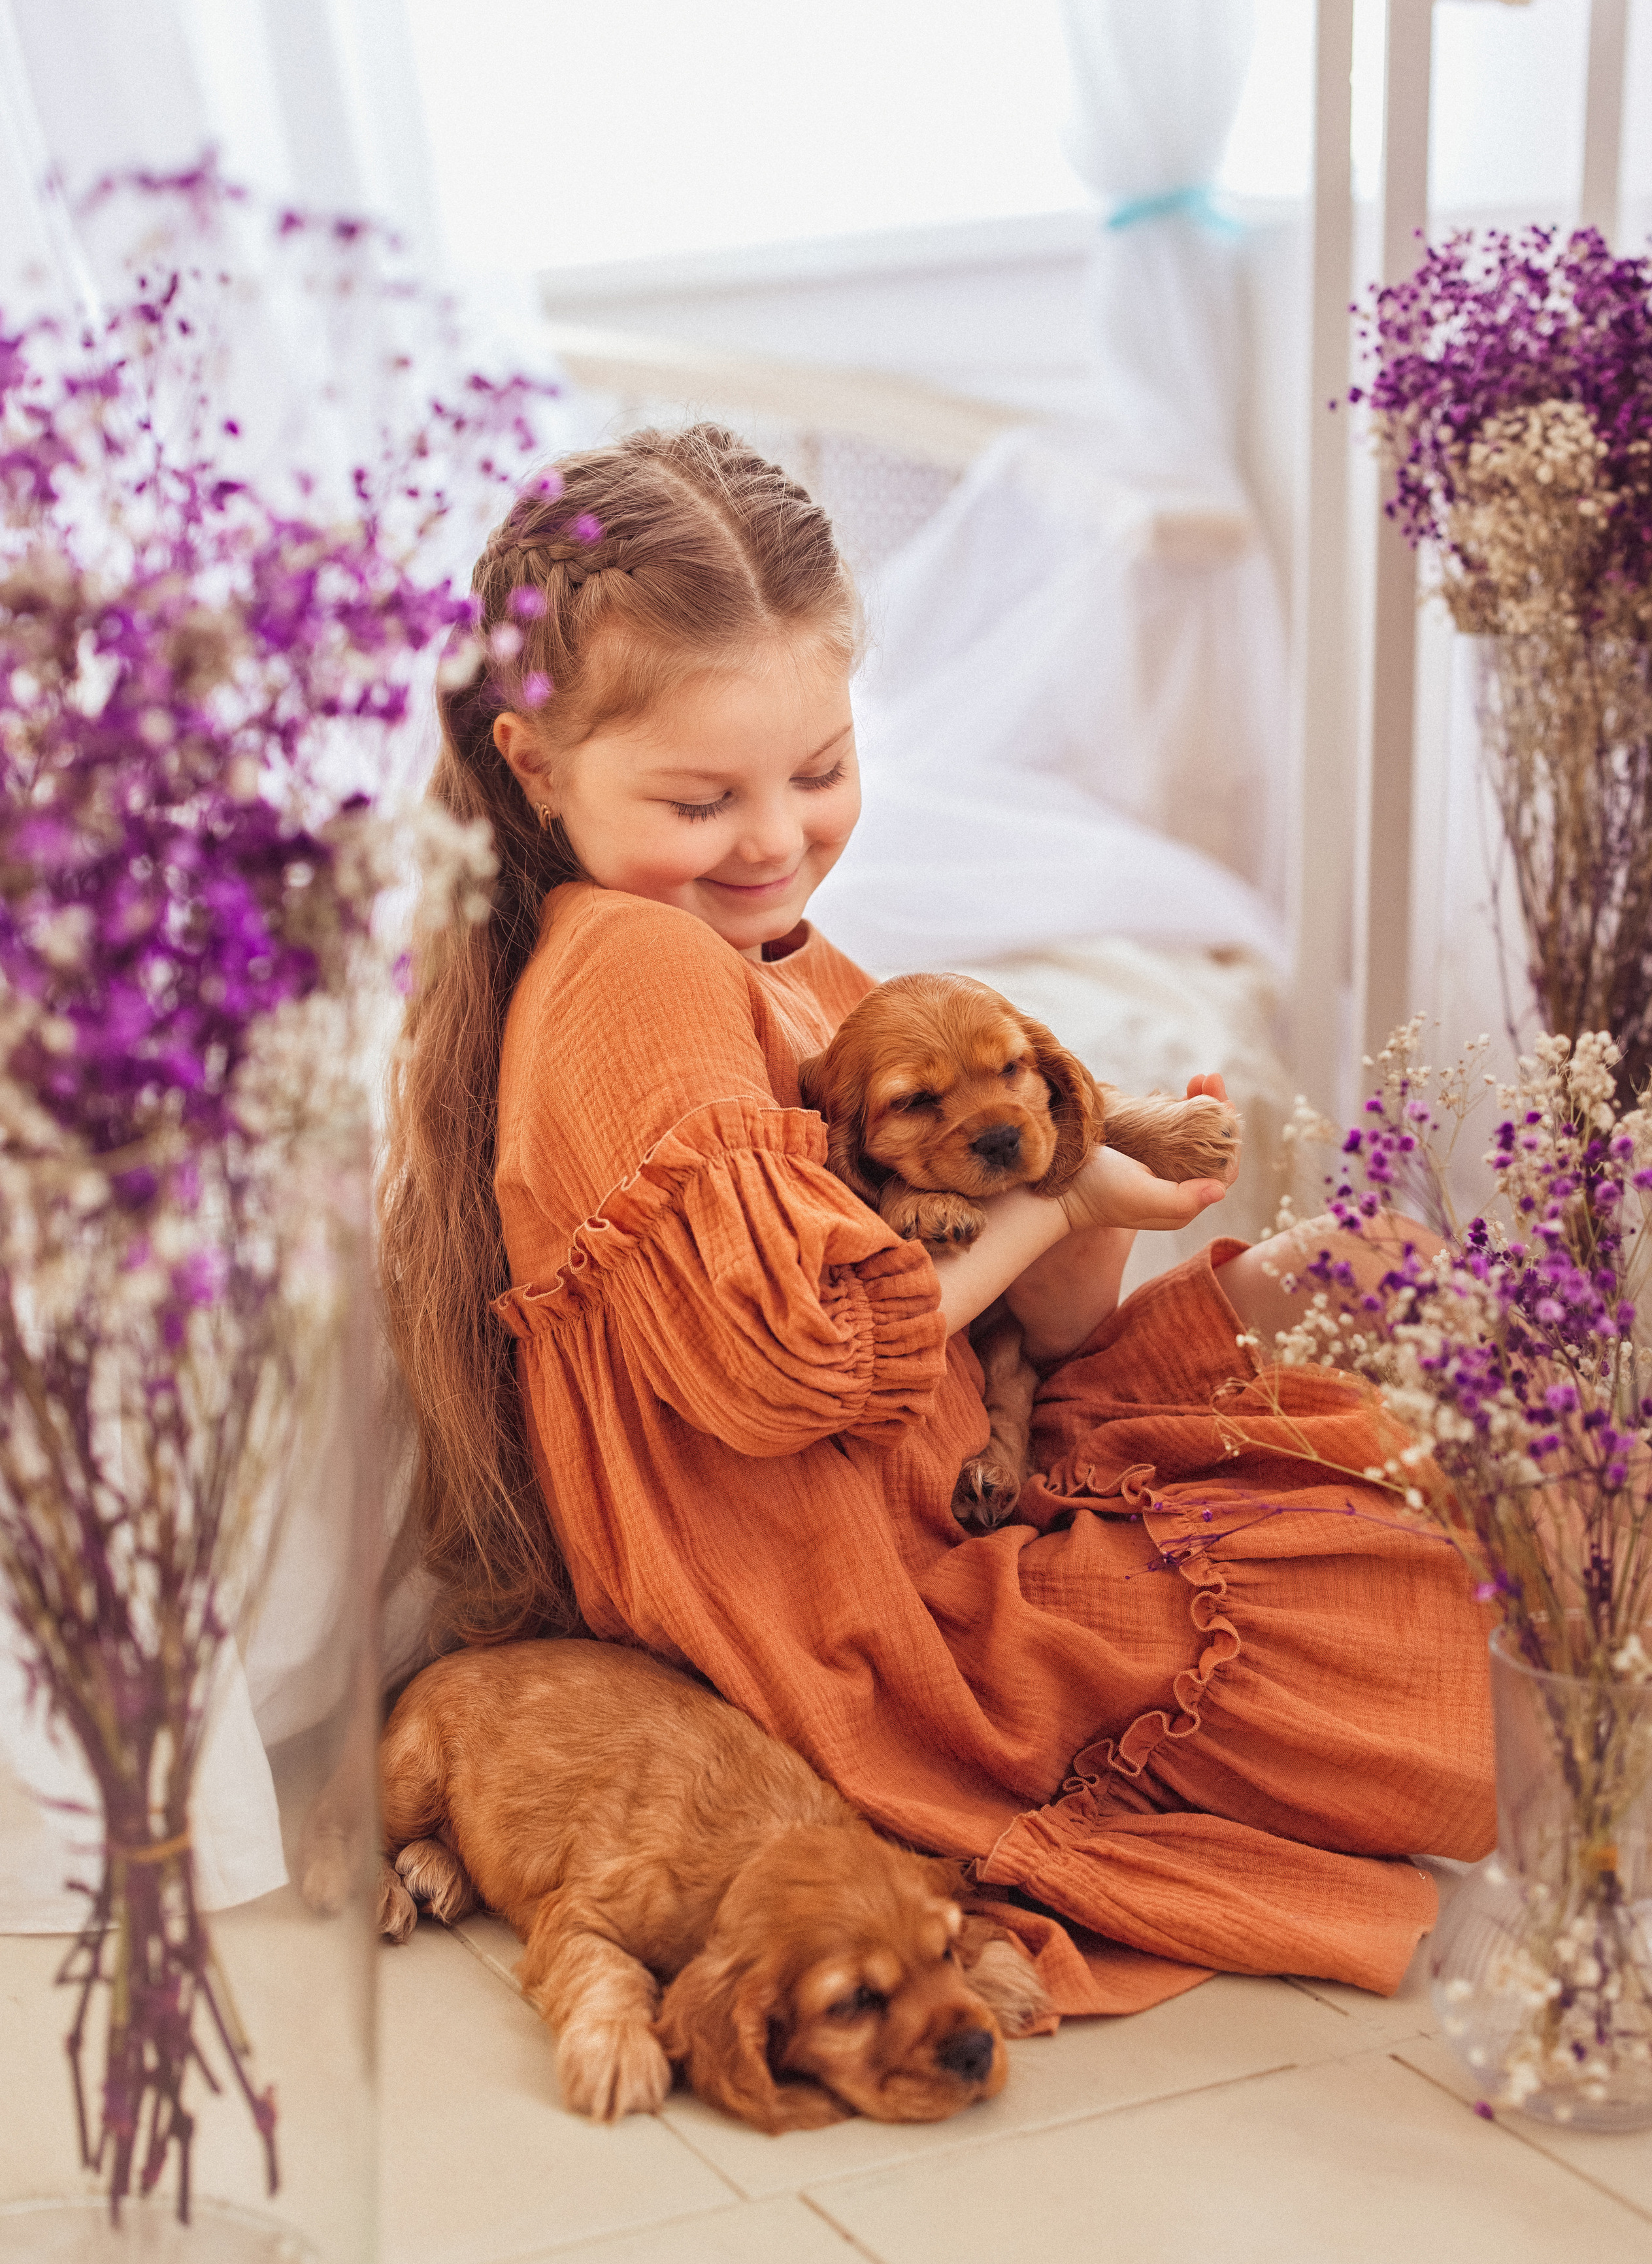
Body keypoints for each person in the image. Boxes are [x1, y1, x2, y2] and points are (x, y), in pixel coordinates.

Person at [380, 425, 1493, 2020]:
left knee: (1375, 1416)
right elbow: (807, 1364)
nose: (774, 839)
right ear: (533, 763)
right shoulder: (632, 965)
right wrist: (1064, 1206)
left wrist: (1092, 1200)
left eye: (821, 771)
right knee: (1401, 1603)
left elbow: (1018, 1336)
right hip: (848, 1618)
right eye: (704, 796)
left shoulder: (801, 970)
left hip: (941, 1507)